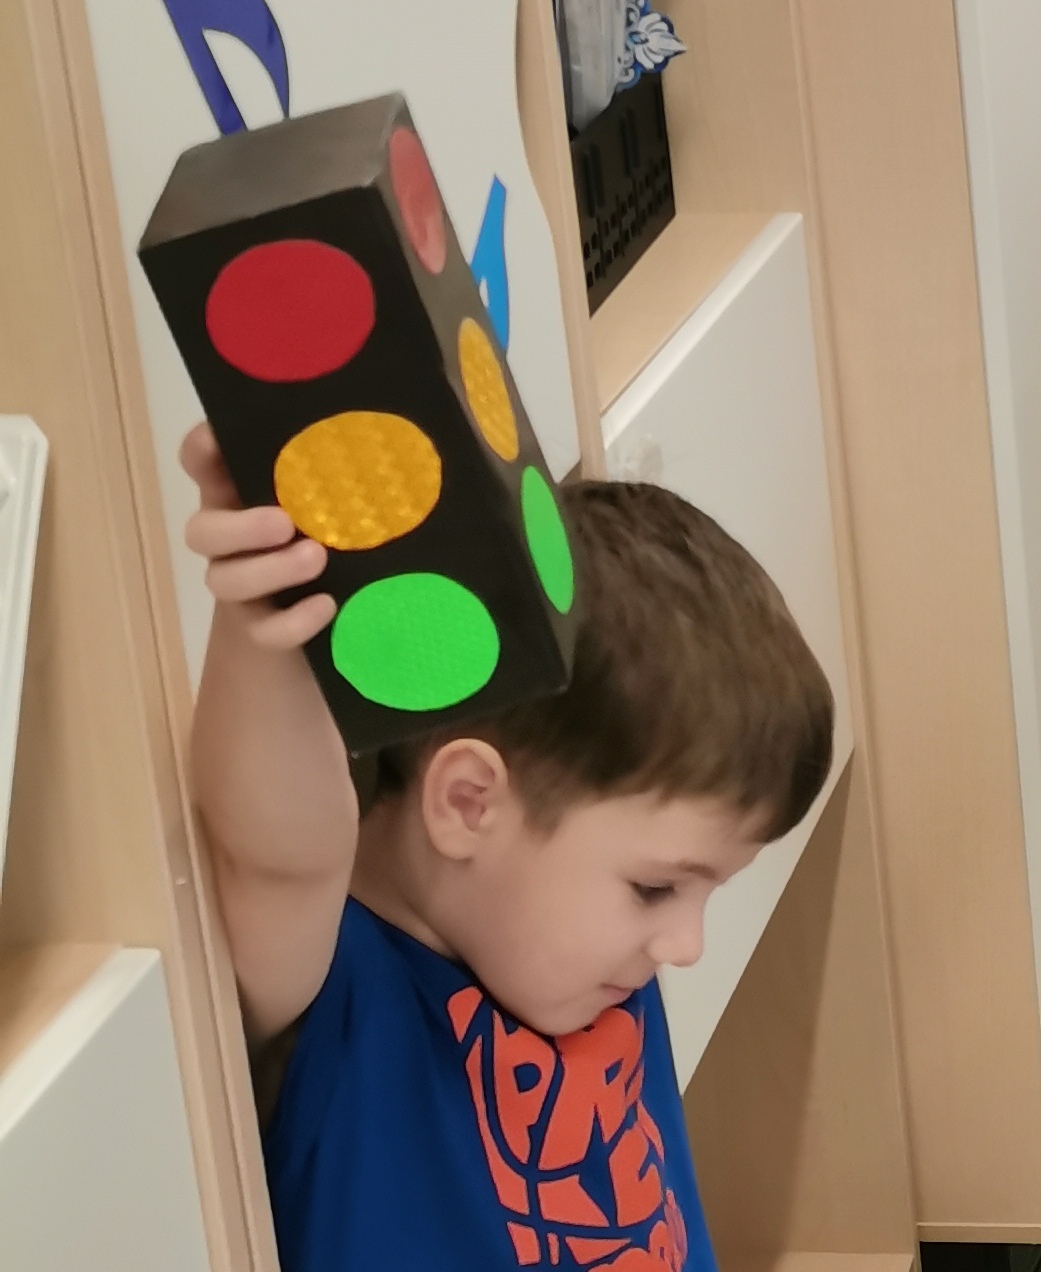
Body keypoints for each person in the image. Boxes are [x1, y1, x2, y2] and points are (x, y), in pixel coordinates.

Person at [181, 419, 834, 1272]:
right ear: (469, 802)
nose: (684, 946)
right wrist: (264, 615)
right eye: (656, 889)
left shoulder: (578, 964)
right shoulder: (339, 993)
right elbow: (276, 852)